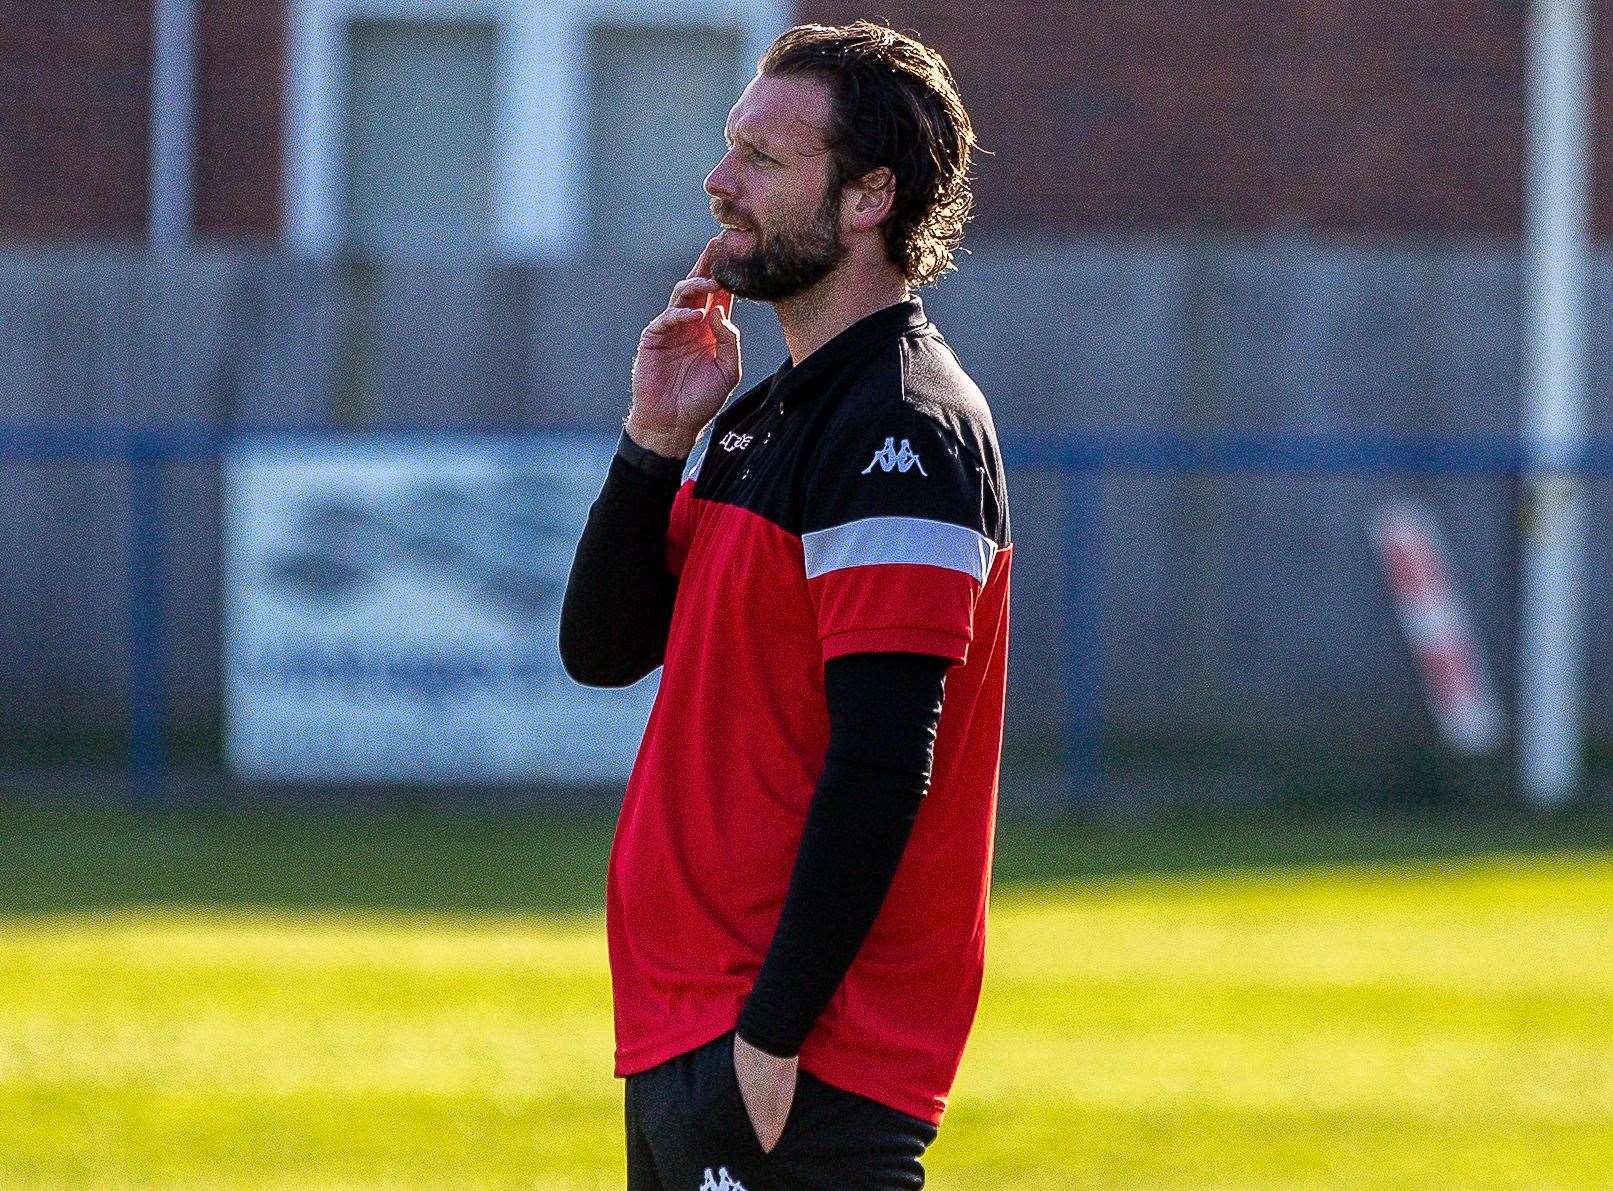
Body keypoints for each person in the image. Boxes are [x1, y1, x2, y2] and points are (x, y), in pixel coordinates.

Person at [560, 21, 1010, 1190]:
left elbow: (880, 761)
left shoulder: (901, 424)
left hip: (794, 1049)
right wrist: (655, 439)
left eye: (764, 158)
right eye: (728, 148)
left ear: (870, 196)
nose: (719, 183)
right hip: (688, 1027)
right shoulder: (766, 415)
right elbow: (602, 652)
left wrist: (771, 1035)